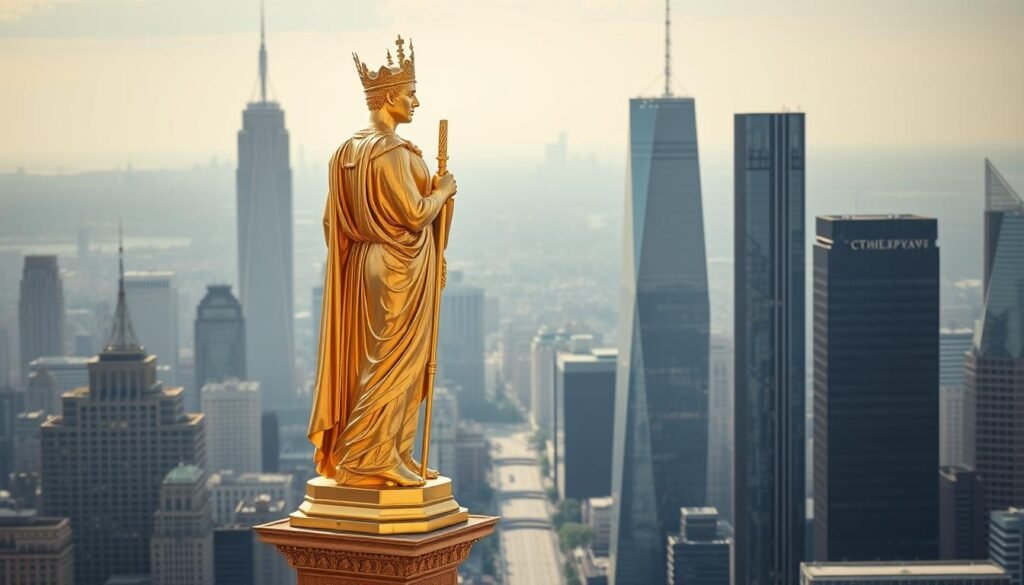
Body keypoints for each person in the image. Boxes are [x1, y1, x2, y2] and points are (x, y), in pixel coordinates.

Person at [307, 36, 457, 487]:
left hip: (368, 264)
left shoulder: (346, 152)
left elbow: (330, 222)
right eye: (411, 94)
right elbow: (414, 214)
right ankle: (370, 457)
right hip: (399, 267)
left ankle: (395, 450)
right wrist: (443, 190)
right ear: (390, 96)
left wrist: (366, 246)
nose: (416, 102)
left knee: (386, 361)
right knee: (395, 362)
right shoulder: (389, 150)